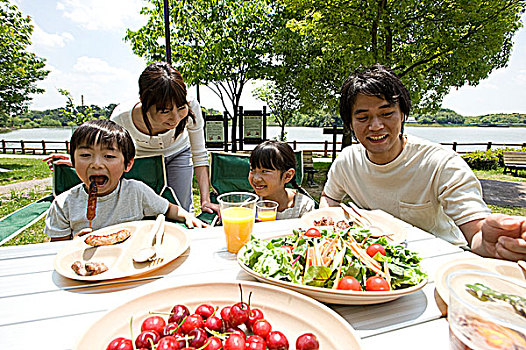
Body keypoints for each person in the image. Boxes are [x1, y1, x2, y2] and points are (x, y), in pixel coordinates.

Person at [321, 64, 526, 261]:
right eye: (363, 117)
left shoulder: (441, 164)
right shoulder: (347, 161)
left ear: (402, 115)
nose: (376, 126)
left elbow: (476, 232)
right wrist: (327, 221)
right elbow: (329, 196)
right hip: (374, 258)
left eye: (386, 114)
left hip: (441, 259)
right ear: (350, 124)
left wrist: (492, 242)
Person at [45, 62, 218, 216]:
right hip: (141, 158)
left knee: (182, 207)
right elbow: (107, 150)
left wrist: (205, 200)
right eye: (164, 111)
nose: (175, 119)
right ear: (144, 102)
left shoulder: (191, 106)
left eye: (180, 108)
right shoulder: (122, 118)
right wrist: (77, 161)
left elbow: (199, 155)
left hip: (179, 152)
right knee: (144, 206)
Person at [45, 120, 206, 241]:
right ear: (73, 161)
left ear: (128, 164)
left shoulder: (136, 192)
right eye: (86, 155)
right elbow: (56, 250)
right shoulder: (63, 204)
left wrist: (187, 216)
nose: (96, 164)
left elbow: (168, 209)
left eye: (108, 156)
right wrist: (74, 245)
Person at [249, 140, 315, 220]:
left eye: (265, 171)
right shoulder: (249, 205)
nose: (256, 178)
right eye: (252, 170)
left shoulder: (304, 206)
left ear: (287, 175)